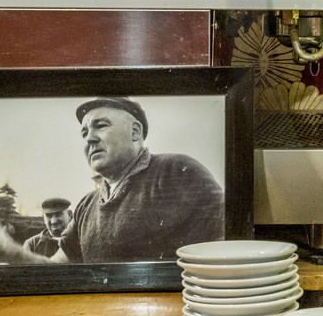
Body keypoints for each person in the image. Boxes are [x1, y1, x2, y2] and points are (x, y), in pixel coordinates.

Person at [57, 97, 223, 264]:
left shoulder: (176, 171)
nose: (89, 138)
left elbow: (224, 246)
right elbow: (56, 266)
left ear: (135, 132)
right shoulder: (85, 205)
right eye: (84, 133)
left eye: (100, 126)